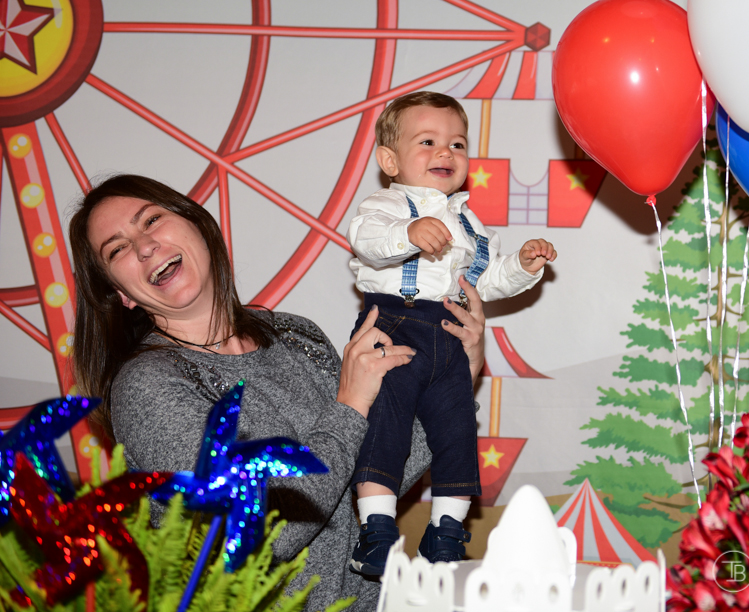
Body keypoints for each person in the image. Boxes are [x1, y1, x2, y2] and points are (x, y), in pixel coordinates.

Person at [68, 174, 486, 612]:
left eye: (151, 220)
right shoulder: (148, 387)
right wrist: (350, 406)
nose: (144, 246)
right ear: (121, 295)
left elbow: (372, 473)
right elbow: (262, 531)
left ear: (197, 225)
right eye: (117, 249)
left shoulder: (294, 333)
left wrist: (459, 370)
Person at [346, 91, 557, 576]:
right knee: (386, 422)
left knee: (460, 433)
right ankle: (376, 531)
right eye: (428, 141)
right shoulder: (385, 204)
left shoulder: (469, 222)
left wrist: (523, 266)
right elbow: (367, 241)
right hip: (393, 325)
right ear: (389, 160)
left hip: (450, 336)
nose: (446, 153)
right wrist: (409, 234)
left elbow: (485, 281)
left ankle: (446, 534)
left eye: (458, 144)